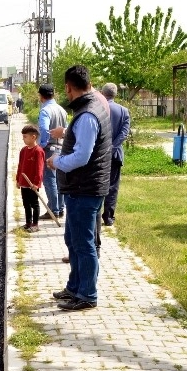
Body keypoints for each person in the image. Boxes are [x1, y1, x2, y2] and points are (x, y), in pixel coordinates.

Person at [46, 65, 112, 311]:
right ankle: (74, 287)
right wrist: (66, 134)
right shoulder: (95, 104)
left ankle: (87, 295)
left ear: (68, 87)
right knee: (73, 240)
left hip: (85, 188)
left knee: (84, 244)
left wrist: (57, 162)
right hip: (86, 187)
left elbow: (82, 156)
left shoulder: (87, 115)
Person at [100, 83, 131, 226]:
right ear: (115, 94)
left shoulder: (97, 108)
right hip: (115, 154)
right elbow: (124, 133)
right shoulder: (123, 111)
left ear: (102, 92)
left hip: (98, 154)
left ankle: (94, 214)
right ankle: (108, 216)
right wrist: (113, 147)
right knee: (112, 185)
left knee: (97, 183)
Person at [37, 83, 68, 220]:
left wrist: (42, 144)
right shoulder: (62, 110)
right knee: (59, 179)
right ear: (53, 94)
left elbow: (44, 129)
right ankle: (60, 209)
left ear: (41, 96)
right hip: (61, 147)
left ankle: (53, 210)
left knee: (49, 180)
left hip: (49, 148)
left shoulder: (45, 110)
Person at [16, 124, 45, 232]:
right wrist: (18, 179)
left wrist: (36, 183)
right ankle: (28, 223)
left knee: (34, 204)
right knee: (26, 204)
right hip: (24, 182)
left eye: (25, 137)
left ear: (33, 137)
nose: (23, 139)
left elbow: (39, 169)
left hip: (32, 184)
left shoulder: (38, 151)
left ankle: (35, 224)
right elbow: (20, 166)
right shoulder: (23, 150)